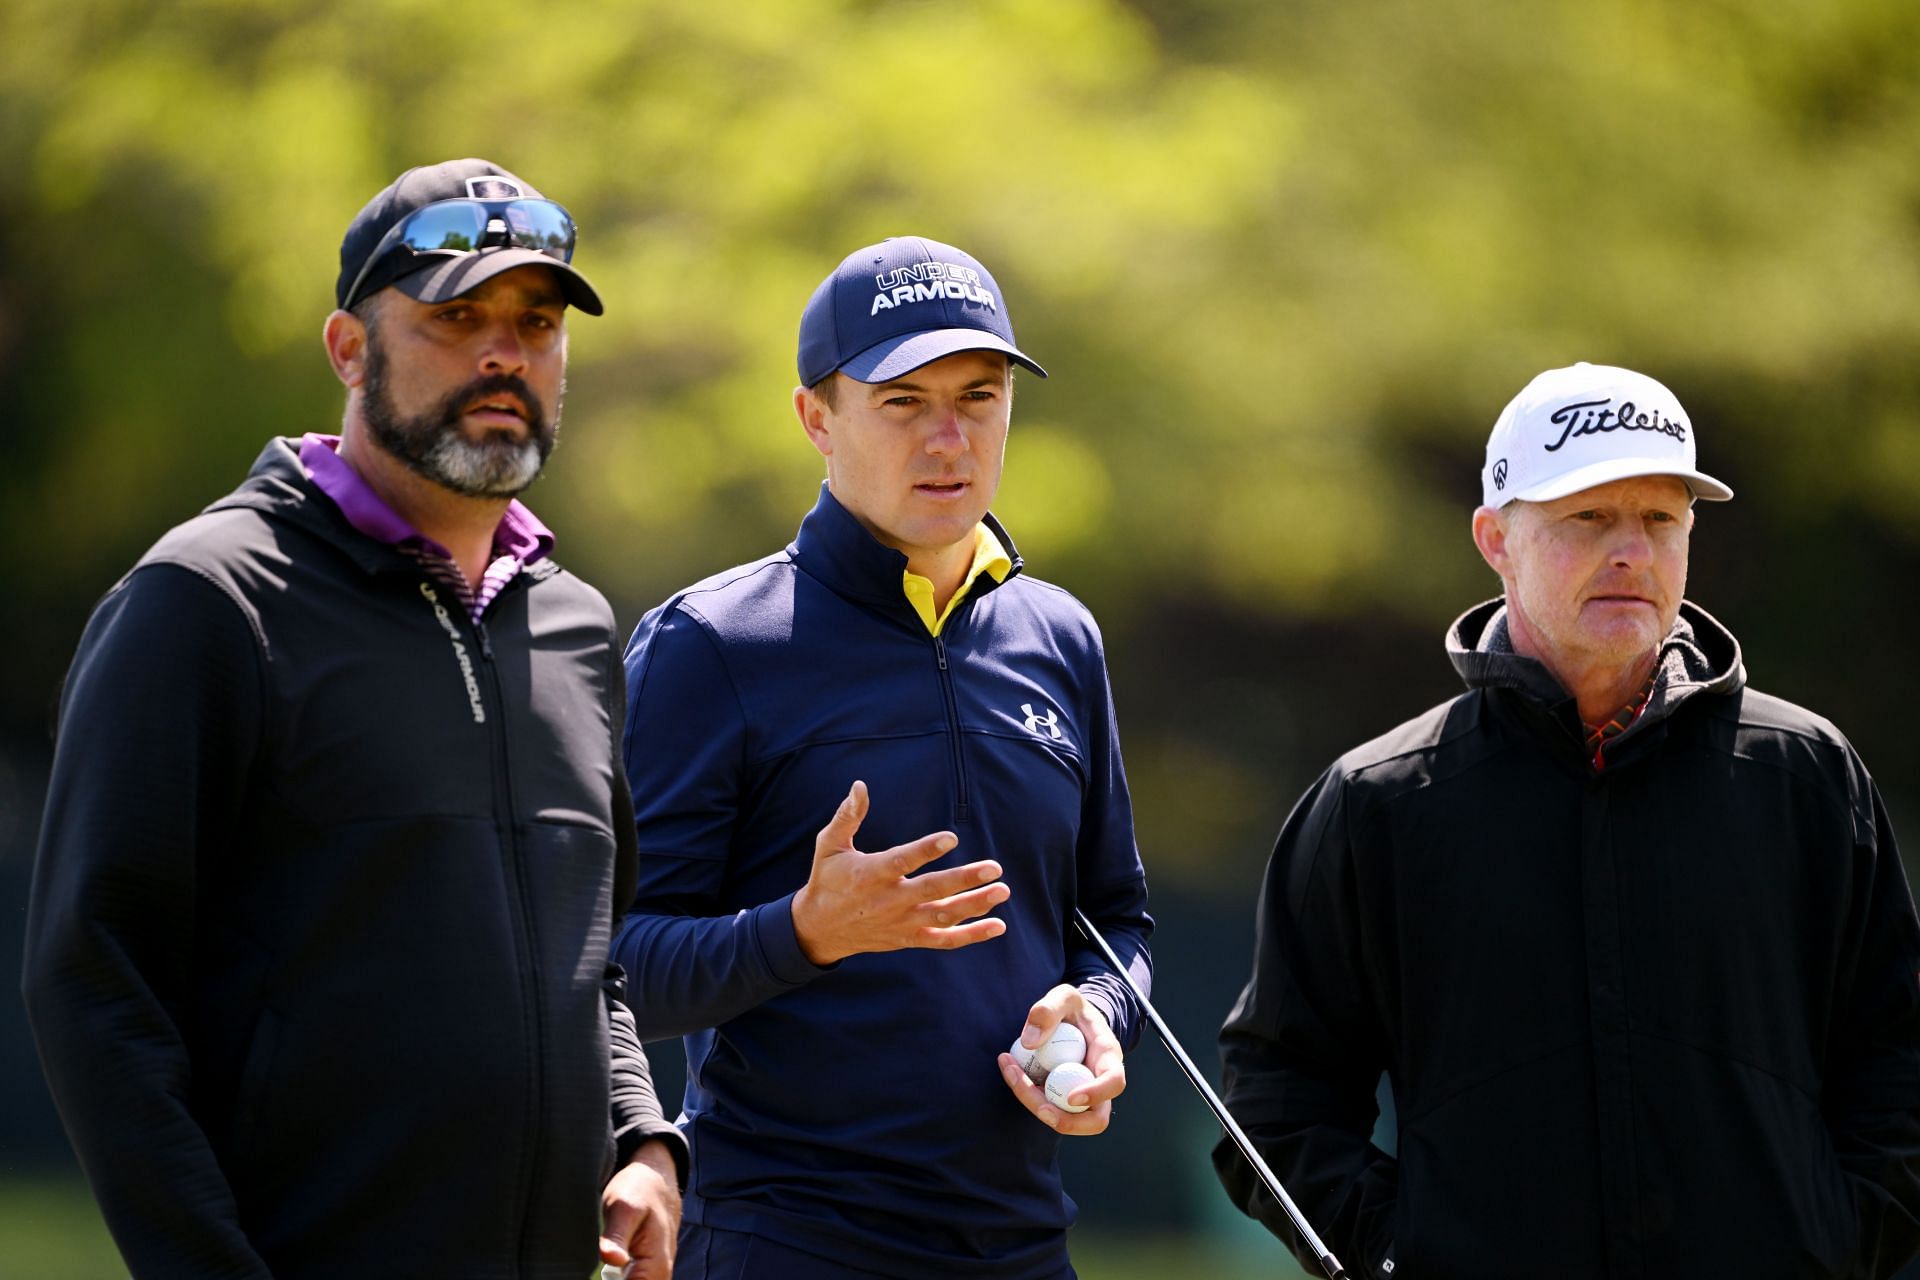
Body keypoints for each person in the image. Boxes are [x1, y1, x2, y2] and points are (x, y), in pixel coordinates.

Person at [22, 158, 687, 1280]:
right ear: (347, 348)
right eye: (455, 316)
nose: (502, 353)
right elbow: (93, 984)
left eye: (535, 322)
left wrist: (643, 1138)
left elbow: (594, 958)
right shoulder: (208, 599)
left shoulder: (574, 626)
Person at [1215, 361, 1920, 1279]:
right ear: (1494, 538)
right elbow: (1273, 1098)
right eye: (1588, 517)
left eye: (1661, 519)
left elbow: (1898, 1058)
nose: (1631, 549)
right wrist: (1399, 1253)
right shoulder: (1379, 800)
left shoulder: (1805, 774)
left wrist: (1839, 1240)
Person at [613, 235, 1154, 1278]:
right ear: (818, 417)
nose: (948, 438)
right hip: (787, 1237)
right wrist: (804, 930)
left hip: (1023, 1241)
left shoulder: (1060, 637)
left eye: (980, 396)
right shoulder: (711, 644)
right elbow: (613, 971)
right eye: (903, 401)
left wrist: (1095, 1010)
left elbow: (1116, 917)